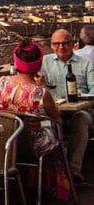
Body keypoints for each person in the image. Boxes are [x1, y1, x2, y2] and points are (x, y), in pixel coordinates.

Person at [39, 28, 94, 185]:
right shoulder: (45, 62)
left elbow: (93, 89)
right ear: (51, 45)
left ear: (73, 44)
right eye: (56, 44)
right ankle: (57, 172)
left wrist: (81, 98)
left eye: (65, 43)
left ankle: (73, 171)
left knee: (81, 120)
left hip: (81, 110)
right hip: (55, 111)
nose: (61, 47)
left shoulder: (86, 63)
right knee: (50, 123)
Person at [0, 39, 61, 159]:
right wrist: (42, 86)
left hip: (6, 140)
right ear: (39, 64)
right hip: (33, 145)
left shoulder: (2, 82)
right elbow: (55, 115)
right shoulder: (40, 92)